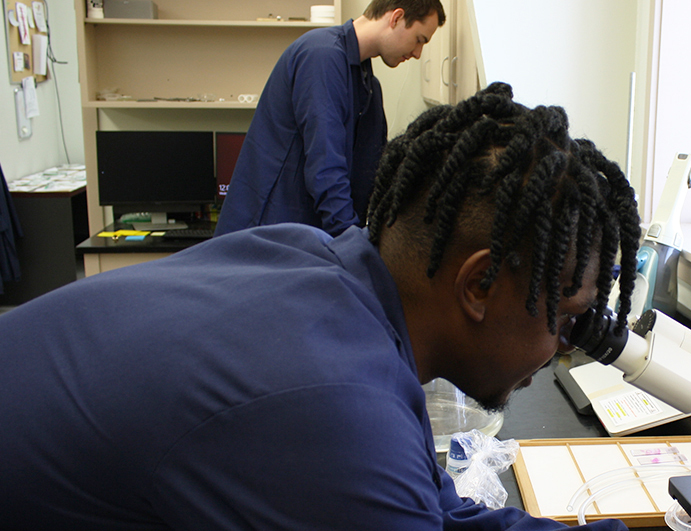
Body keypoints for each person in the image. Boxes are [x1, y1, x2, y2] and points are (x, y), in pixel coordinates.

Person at [0, 83, 641, 530]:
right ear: (479, 286)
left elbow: (436, 513)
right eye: (560, 321)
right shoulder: (336, 409)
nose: (560, 347)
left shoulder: (318, 265)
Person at [214, 0, 445, 238]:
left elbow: (372, 171)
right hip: (268, 233)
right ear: (396, 18)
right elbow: (326, 166)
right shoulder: (321, 56)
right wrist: (351, 243)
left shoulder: (366, 84)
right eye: (419, 39)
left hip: (304, 235)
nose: (417, 54)